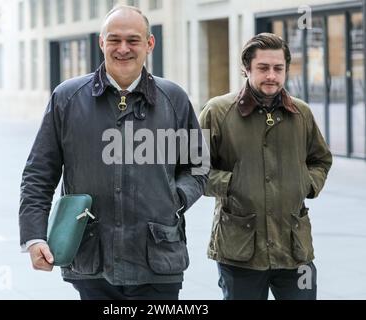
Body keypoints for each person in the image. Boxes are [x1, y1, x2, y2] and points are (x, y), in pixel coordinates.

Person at [19, 5, 208, 300]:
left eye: (133, 40)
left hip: (158, 260)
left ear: (149, 44)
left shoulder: (174, 99)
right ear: (101, 42)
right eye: (114, 39)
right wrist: (33, 236)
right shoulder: (66, 98)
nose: (123, 49)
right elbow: (38, 173)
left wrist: (175, 198)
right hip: (93, 261)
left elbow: (198, 167)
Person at [199, 33, 332, 300]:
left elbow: (321, 159)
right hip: (239, 251)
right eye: (263, 68)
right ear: (246, 68)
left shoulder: (302, 113)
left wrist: (306, 182)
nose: (271, 75)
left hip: (295, 250)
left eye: (278, 68)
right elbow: (191, 168)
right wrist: (234, 182)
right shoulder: (216, 111)